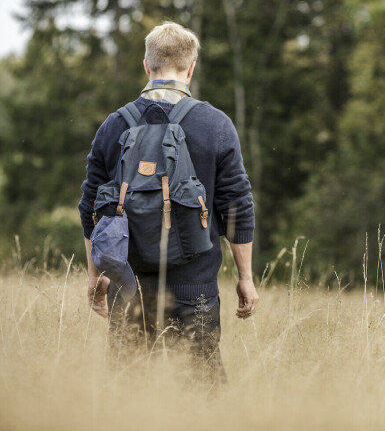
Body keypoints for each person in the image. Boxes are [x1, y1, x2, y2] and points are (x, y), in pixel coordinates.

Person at [78, 22, 259, 383]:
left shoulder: (114, 126)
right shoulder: (216, 125)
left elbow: (90, 209)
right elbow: (237, 205)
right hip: (196, 291)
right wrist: (246, 278)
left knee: (129, 395)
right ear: (191, 68)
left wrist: (97, 276)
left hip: (126, 288)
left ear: (147, 65)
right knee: (203, 397)